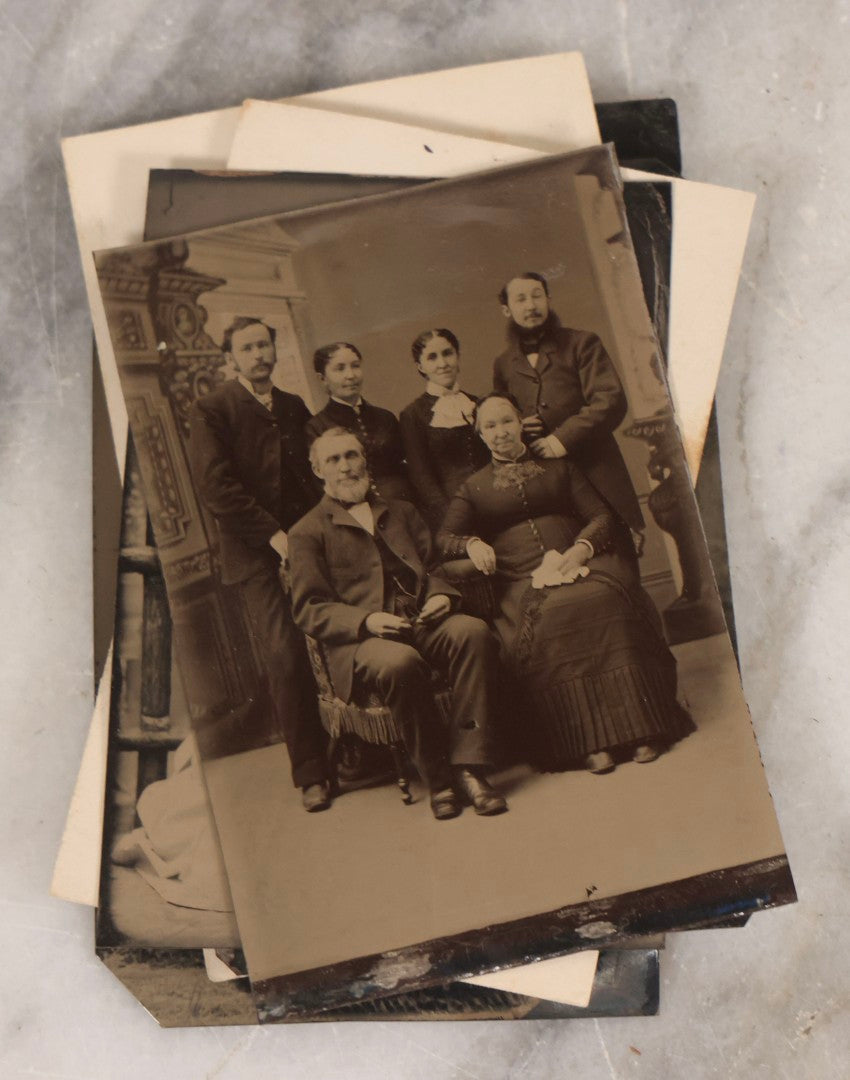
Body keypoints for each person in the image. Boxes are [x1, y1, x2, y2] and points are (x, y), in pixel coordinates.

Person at [438, 393, 693, 775]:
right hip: (520, 578)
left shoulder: (559, 468)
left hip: (581, 560)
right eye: (489, 426)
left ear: (521, 422)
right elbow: (443, 539)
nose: (500, 432)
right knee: (551, 617)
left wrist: (582, 549)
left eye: (506, 421)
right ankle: (589, 743)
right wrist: (471, 543)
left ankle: (644, 729)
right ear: (479, 433)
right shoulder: (472, 488)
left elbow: (601, 516)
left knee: (606, 600)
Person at [287, 427, 507, 819]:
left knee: (474, 633)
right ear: (318, 470)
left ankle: (470, 768)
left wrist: (441, 594)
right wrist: (367, 620)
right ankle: (438, 780)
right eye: (334, 460)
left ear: (365, 461)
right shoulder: (306, 531)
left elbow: (434, 566)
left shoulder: (401, 511)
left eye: (352, 456)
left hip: (421, 618)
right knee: (399, 663)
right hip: (363, 640)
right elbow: (309, 608)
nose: (346, 467)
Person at [188, 316, 332, 813]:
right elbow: (216, 488)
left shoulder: (293, 405)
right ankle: (311, 772)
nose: (259, 355)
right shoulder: (213, 409)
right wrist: (274, 536)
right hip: (256, 553)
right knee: (286, 655)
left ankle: (351, 747)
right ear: (232, 358)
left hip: (308, 545)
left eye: (264, 345)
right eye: (247, 348)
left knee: (332, 639)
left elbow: (315, 474)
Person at [493, 271, 644, 536]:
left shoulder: (582, 343)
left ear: (548, 299)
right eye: (521, 299)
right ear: (507, 310)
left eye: (537, 296)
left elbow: (609, 400)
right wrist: (519, 427)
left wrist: (559, 440)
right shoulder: (504, 364)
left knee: (619, 550)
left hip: (598, 472)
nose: (531, 306)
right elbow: (501, 417)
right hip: (549, 483)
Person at [399, 328, 490, 530]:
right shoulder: (412, 415)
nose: (442, 364)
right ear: (420, 366)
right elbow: (422, 477)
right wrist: (450, 517)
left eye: (448, 353)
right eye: (432, 357)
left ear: (458, 356)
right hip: (454, 508)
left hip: (494, 497)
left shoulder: (478, 403)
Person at [305, 341, 413, 503]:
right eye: (340, 368)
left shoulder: (385, 417)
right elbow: (323, 485)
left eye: (355, 366)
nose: (350, 375)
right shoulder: (316, 427)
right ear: (322, 379)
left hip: (404, 505)